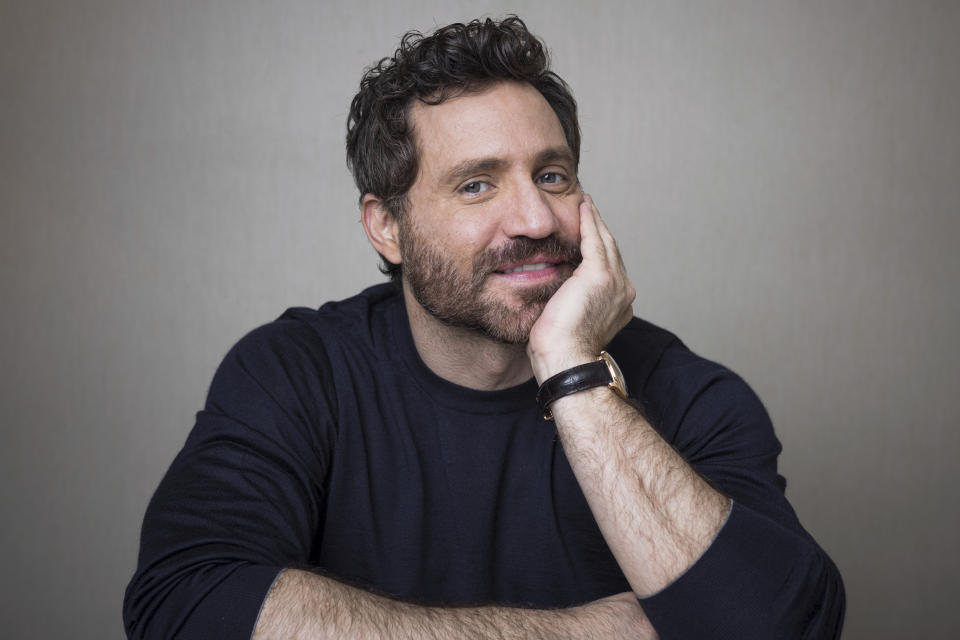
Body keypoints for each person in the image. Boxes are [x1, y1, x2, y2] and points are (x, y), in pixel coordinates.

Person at [124, 16, 844, 639]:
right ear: (387, 227)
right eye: (477, 184)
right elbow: (185, 607)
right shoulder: (294, 373)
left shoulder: (690, 395)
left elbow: (783, 627)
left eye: (553, 176)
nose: (534, 220)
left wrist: (573, 370)